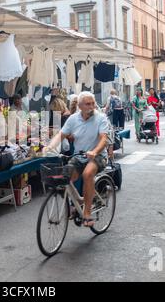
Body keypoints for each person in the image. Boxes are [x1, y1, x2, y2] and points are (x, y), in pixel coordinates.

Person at [44, 92, 109, 227]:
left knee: (87, 174)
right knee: (65, 176)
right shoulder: (73, 119)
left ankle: (87, 213)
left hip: (98, 156)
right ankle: (77, 202)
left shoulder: (101, 118)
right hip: (79, 156)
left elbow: (104, 138)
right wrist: (50, 147)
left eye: (93, 103)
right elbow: (61, 135)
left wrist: (95, 151)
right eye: (88, 104)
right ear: (79, 106)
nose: (92, 106)